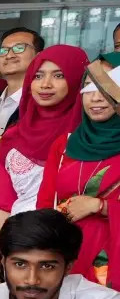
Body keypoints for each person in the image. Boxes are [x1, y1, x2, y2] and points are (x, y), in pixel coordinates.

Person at [0, 45, 89, 282]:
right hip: (20, 246)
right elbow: (4, 202)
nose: (45, 84)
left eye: (59, 75)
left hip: (73, 248)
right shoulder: (12, 136)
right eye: (38, 76)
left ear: (77, 79)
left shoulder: (88, 137)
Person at [34, 55, 120, 286]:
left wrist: (99, 206)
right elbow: (45, 204)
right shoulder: (64, 144)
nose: (95, 97)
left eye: (107, 86)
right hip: (64, 254)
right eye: (88, 87)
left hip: (110, 262)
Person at [0, 27, 44, 133]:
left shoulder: (42, 103)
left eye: (19, 48)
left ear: (38, 56)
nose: (9, 55)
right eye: (3, 51)